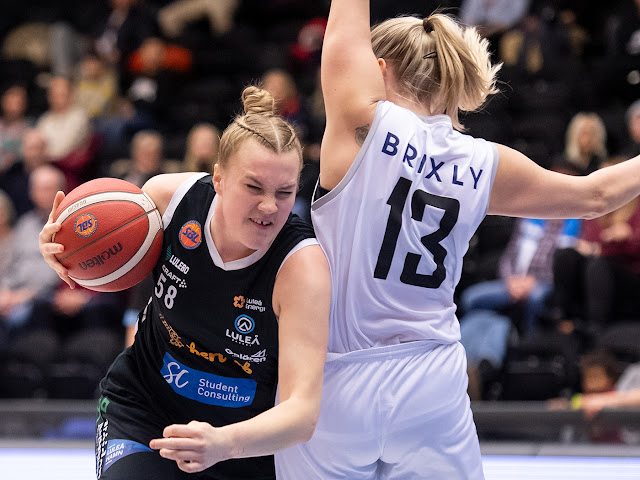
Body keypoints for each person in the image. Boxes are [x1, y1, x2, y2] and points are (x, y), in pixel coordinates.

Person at [275, 4, 640, 479]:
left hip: (337, 376)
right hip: (432, 380)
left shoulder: (360, 124)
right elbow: (596, 196)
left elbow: (345, 23)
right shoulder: (483, 161)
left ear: (379, 69)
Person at [39, 85, 330, 479]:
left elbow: (302, 413)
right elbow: (100, 246)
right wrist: (63, 249)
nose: (269, 206)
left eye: (285, 192)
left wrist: (225, 443)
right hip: (144, 407)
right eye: (253, 187)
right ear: (219, 178)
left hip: (240, 440)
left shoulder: (302, 267)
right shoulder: (166, 200)